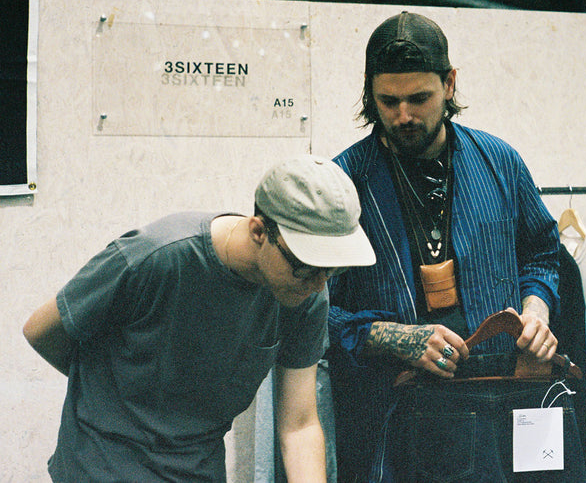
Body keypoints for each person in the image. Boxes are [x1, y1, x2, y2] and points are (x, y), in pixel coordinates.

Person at [327, 11, 583, 481]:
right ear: (370, 94)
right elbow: (310, 309)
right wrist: (392, 336)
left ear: (449, 84)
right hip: (401, 413)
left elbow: (542, 254)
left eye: (419, 98)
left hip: (508, 399)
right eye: (388, 101)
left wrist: (537, 312)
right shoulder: (344, 183)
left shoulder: (500, 162)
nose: (404, 116)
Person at [22, 156, 375, 482]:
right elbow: (42, 331)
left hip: (196, 466)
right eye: (304, 268)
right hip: (103, 464)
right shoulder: (156, 255)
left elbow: (298, 425)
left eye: (331, 269)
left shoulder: (307, 294)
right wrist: (113, 399)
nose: (317, 285)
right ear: (258, 231)